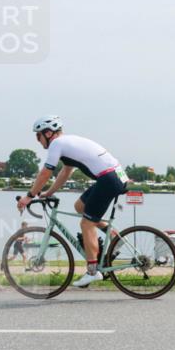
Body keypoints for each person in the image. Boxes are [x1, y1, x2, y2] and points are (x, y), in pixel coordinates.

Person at [19, 115, 129, 287]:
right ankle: (114, 235)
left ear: (48, 133)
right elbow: (65, 172)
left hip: (109, 178)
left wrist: (29, 196)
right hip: (115, 175)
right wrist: (48, 192)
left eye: (38, 136)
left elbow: (46, 173)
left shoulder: (56, 144)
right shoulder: (67, 143)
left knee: (87, 224)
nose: (37, 140)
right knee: (80, 207)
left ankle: (93, 271)